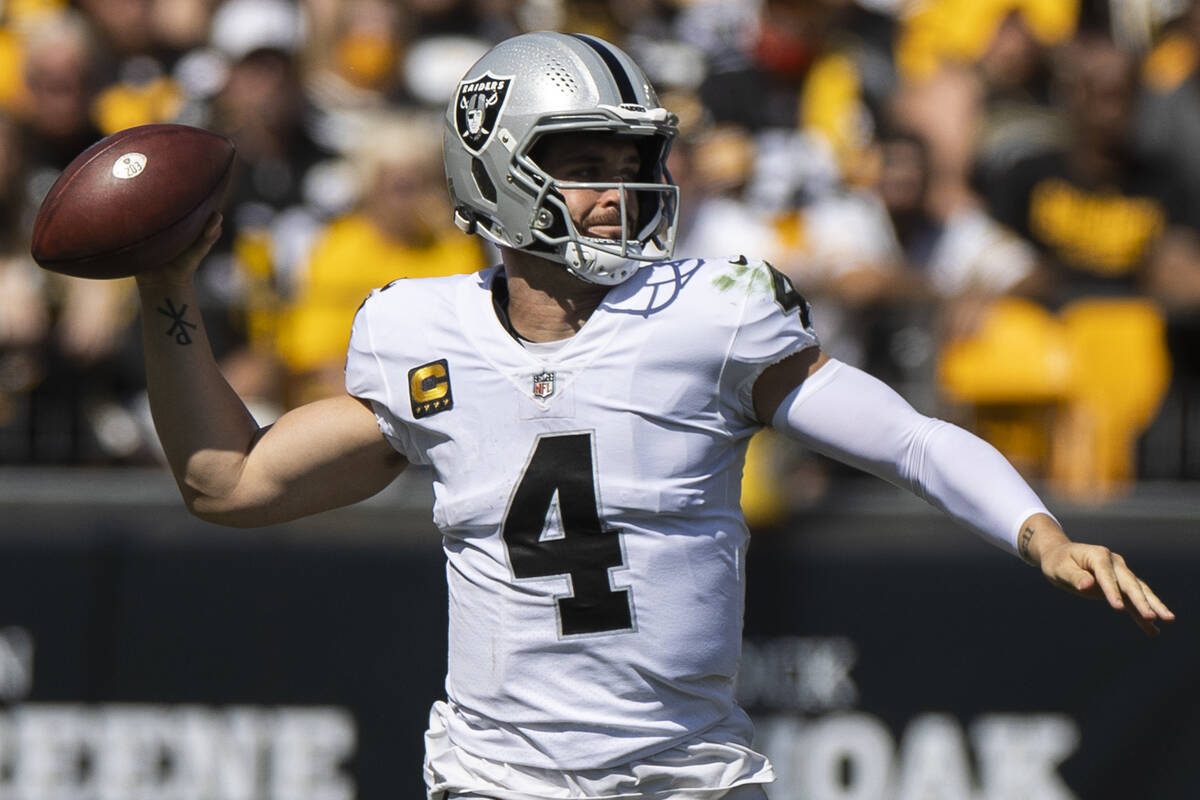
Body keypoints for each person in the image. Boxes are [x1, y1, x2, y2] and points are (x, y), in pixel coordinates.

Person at [131, 32, 1173, 800]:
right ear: (496, 166)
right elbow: (229, 480)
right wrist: (166, 293)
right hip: (500, 781)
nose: (620, 188)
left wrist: (1035, 528)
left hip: (689, 779)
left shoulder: (702, 317)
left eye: (632, 160)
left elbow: (903, 435)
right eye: (587, 160)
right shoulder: (425, 333)